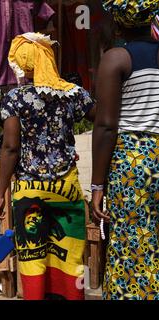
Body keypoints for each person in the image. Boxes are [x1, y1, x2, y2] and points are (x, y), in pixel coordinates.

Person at [0, 33, 95, 300]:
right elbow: (103, 119)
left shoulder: (15, 98)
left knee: (33, 257)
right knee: (70, 256)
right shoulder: (72, 95)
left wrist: (0, 192)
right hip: (66, 187)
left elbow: (11, 148)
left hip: (29, 190)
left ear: (22, 63)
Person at [92, 1, 159, 300]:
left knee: (130, 242)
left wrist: (97, 185)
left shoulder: (116, 59)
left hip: (133, 161)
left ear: (118, 23)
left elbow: (106, 126)